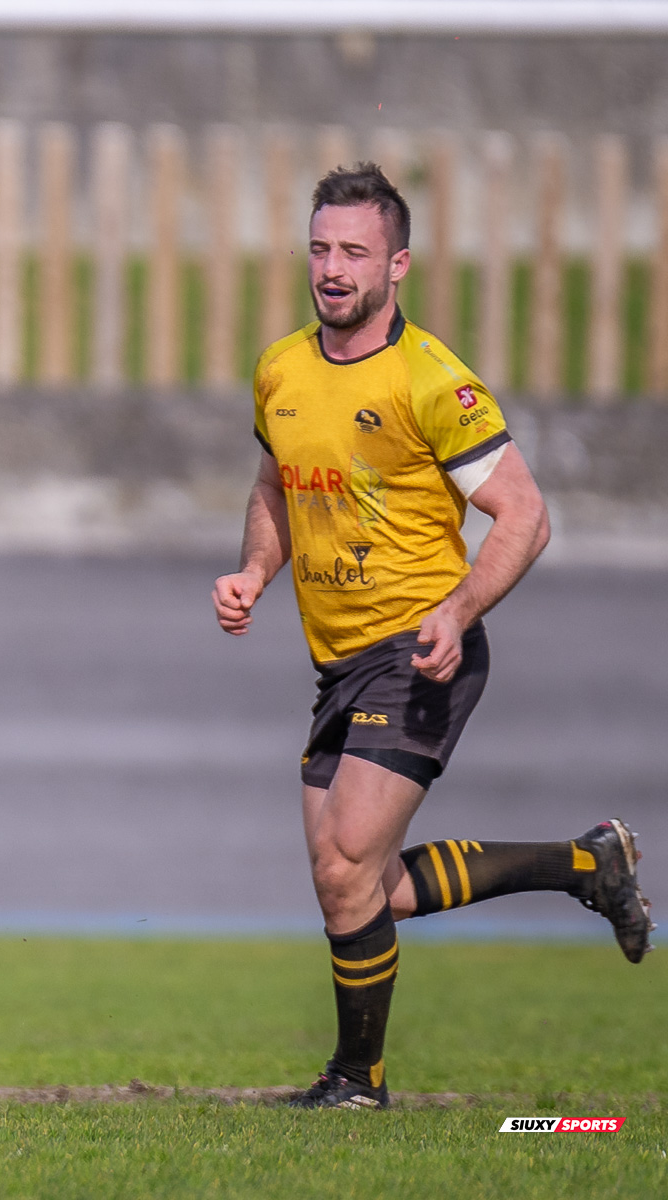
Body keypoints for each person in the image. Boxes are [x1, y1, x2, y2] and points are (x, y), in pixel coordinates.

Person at [212, 163, 654, 1111]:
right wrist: (255, 571)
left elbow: (526, 513)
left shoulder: (429, 379)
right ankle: (584, 864)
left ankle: (356, 1084)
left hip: (420, 651)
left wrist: (455, 612)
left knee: (343, 865)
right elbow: (271, 489)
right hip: (337, 667)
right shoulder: (282, 368)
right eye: (321, 248)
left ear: (397, 265)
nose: (333, 268)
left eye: (355, 253)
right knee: (357, 890)